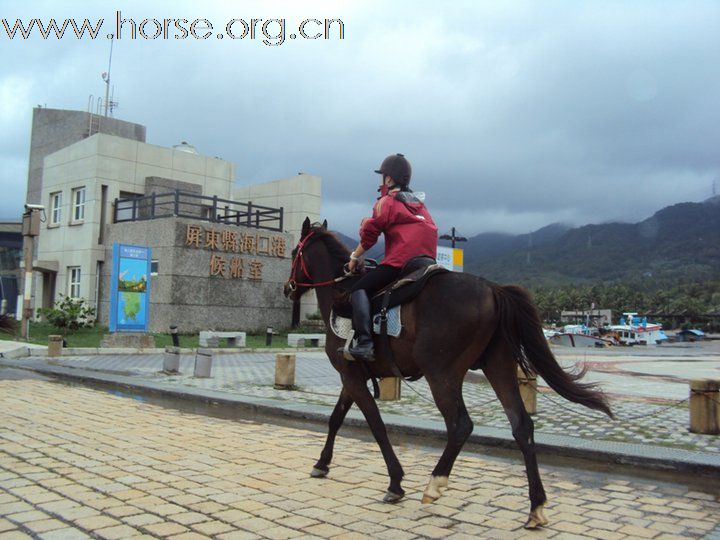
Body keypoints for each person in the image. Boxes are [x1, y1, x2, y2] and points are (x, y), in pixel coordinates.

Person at [345, 153, 438, 361]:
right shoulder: (419, 204)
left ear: (388, 179)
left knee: (358, 288)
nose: (381, 182)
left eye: (382, 177)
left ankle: (365, 343)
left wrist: (354, 256)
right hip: (427, 262)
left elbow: (369, 236)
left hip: (400, 263)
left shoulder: (386, 202)